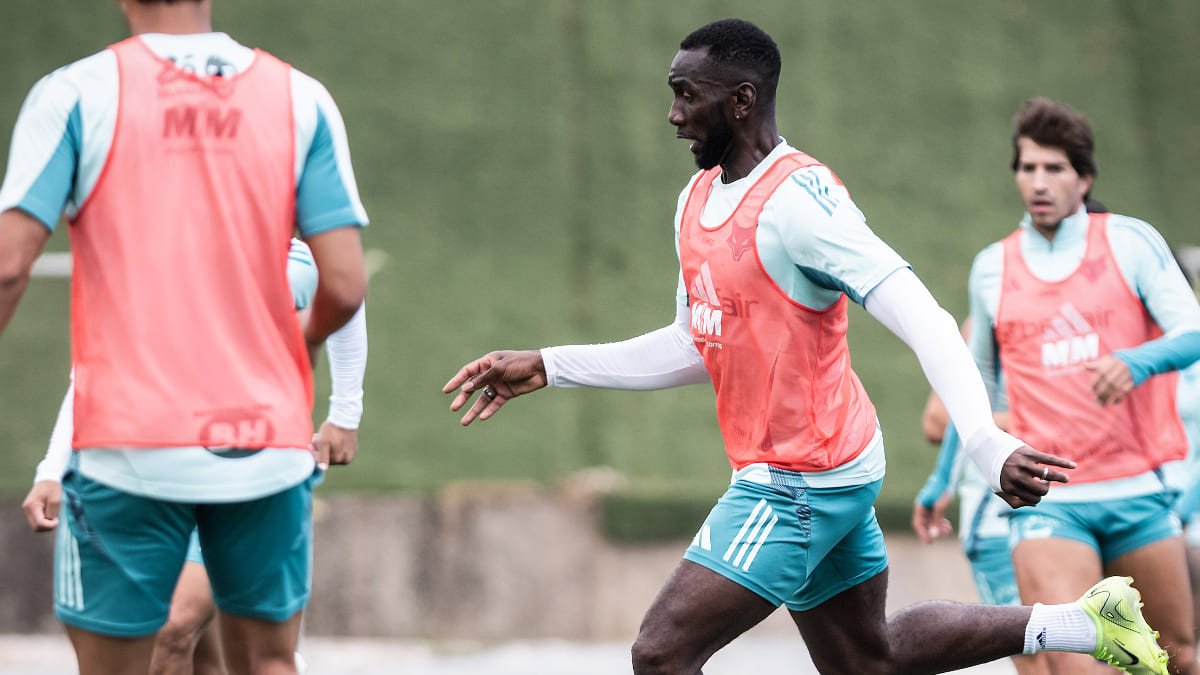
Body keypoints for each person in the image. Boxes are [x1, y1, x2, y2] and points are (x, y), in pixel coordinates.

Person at [443, 18, 1168, 675]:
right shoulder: (695, 200)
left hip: (800, 475)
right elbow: (697, 343)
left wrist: (984, 442)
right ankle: (1083, 621)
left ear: (741, 100)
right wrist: (551, 364)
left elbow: (925, 317)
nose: (671, 115)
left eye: (684, 95)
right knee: (869, 657)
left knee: (661, 653)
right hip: (828, 463)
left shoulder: (800, 202)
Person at [0, 0, 369, 672]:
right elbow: (345, 284)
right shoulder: (301, 96)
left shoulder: (74, 92)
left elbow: (7, 266)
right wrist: (301, 350)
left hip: (128, 445)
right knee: (265, 660)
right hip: (265, 442)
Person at [21, 239, 369, 674]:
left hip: (246, 482)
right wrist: (52, 468)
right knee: (203, 653)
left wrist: (345, 413)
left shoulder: (294, 256)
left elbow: (347, 295)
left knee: (174, 628)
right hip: (153, 478)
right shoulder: (153, 251)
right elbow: (93, 370)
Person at [966, 97, 1200, 673]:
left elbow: (1193, 331)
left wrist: (1137, 363)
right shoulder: (992, 267)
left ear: (1084, 178)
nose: (1039, 182)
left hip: (1137, 494)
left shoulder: (1130, 241)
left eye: (1055, 168)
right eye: (1027, 168)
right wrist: (950, 476)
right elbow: (981, 386)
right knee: (1076, 665)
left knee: (1176, 657)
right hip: (1051, 501)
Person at [911, 321, 1045, 675]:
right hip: (999, 517)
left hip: (1089, 506)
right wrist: (1039, 422)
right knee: (1040, 655)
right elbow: (937, 421)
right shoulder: (991, 299)